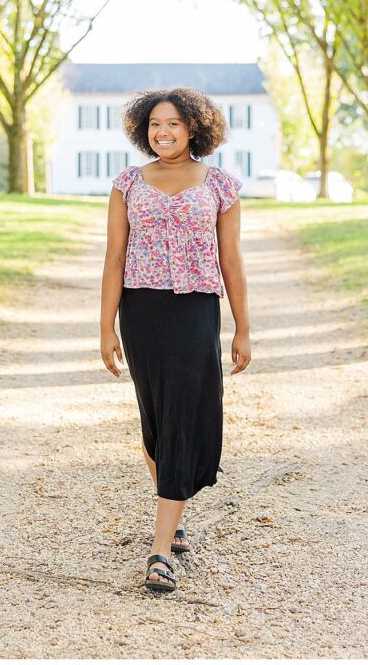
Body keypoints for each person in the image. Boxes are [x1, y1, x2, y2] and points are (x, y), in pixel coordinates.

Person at [99, 86, 251, 594]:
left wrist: (242, 328)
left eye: (174, 125)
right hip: (141, 313)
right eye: (155, 125)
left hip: (194, 311)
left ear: (194, 130)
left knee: (184, 418)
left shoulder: (221, 186)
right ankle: (175, 507)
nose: (163, 133)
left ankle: (159, 551)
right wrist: (106, 327)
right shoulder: (126, 184)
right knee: (155, 423)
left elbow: (231, 261)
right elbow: (114, 259)